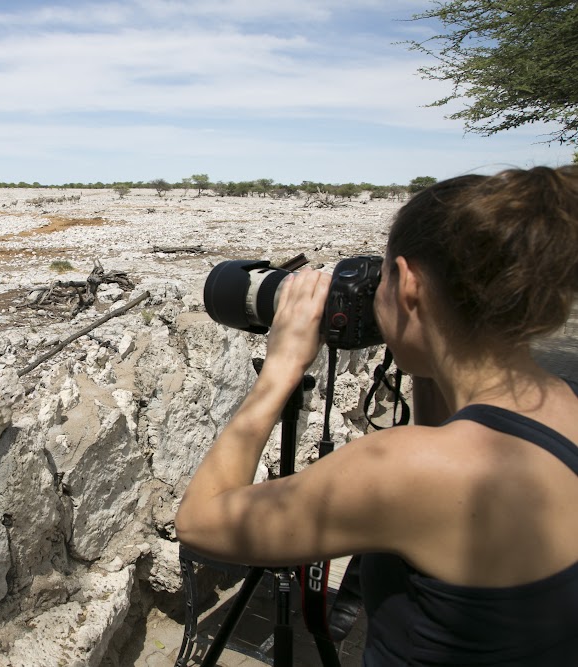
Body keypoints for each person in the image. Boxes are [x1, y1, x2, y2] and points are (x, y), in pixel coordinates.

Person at [175, 165, 578, 664]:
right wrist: (429, 350)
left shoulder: (407, 470)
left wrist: (279, 369)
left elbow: (198, 523)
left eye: (380, 276)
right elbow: (448, 444)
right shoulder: (560, 403)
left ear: (409, 285)